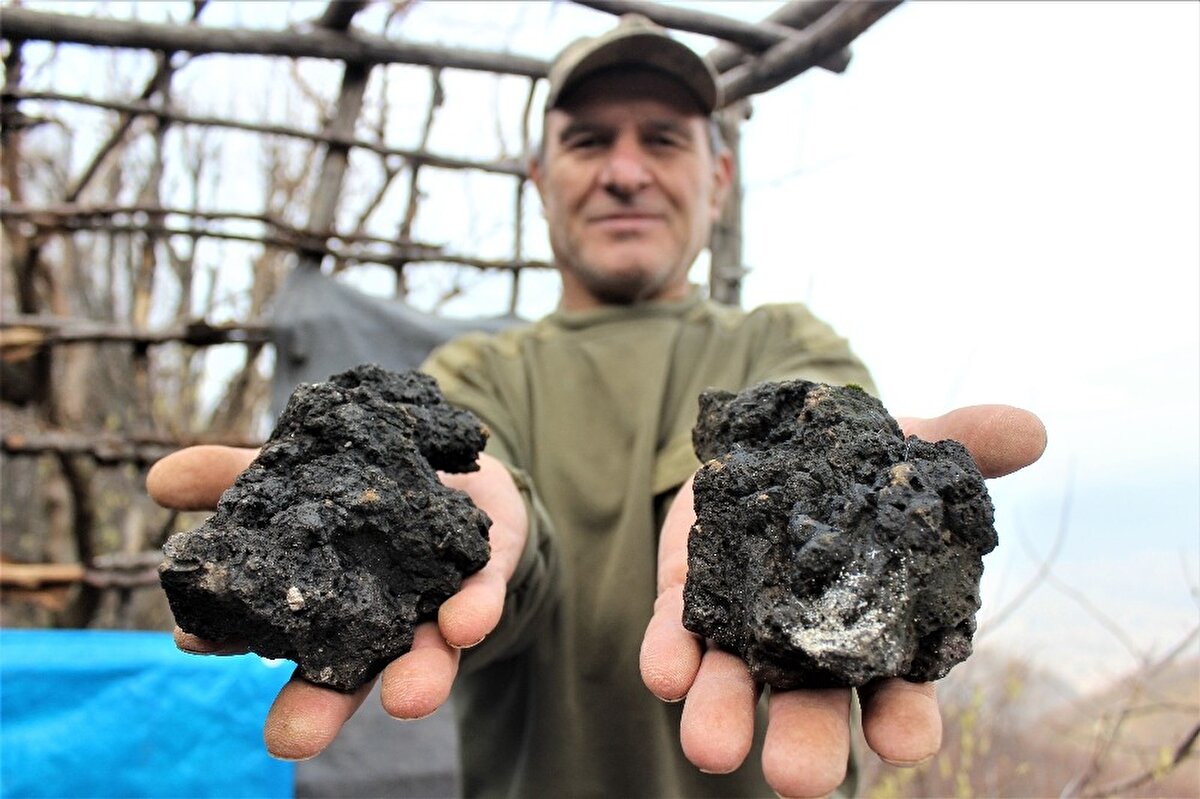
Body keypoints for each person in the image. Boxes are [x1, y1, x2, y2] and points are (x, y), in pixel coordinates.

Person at [147, 15, 1047, 799]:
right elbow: (501, 552)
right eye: (588, 142)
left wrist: (857, 490)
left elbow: (820, 413)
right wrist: (461, 548)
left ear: (719, 176)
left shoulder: (779, 343)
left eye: (663, 140)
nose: (625, 171)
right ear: (539, 177)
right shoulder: (480, 375)